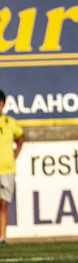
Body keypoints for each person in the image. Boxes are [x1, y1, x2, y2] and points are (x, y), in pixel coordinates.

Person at [0, 90, 23, 245]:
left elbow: (21, 137)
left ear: (3, 104)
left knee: (3, 203)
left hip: (7, 168)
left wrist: (15, 154)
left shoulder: (9, 122)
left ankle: (2, 237)